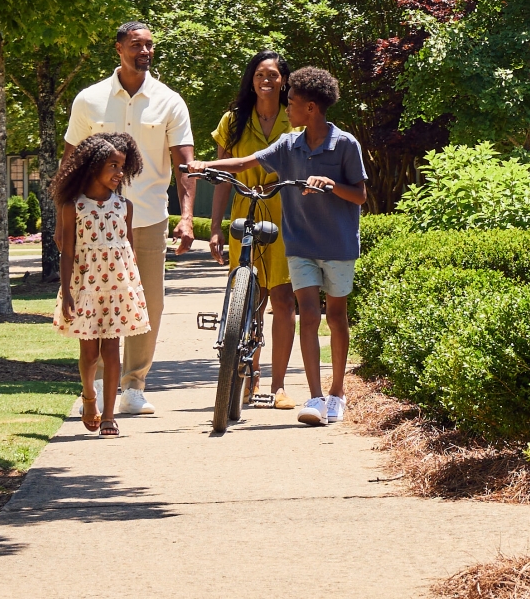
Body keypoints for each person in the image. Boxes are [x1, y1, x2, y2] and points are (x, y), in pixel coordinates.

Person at [187, 66, 366, 426]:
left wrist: (329, 184)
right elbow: (245, 162)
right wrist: (204, 164)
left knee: (335, 317)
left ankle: (337, 393)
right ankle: (315, 398)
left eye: (293, 103)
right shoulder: (289, 145)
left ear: (311, 108)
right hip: (298, 245)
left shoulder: (345, 143)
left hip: (338, 244)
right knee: (310, 317)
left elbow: (359, 196)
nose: (287, 108)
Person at [63, 22, 196, 418]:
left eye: (150, 45)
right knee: (99, 301)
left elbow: (185, 165)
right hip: (94, 219)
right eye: (137, 44)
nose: (145, 51)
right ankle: (101, 383)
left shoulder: (169, 101)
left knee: (147, 304)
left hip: (149, 217)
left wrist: (187, 216)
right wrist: (62, 218)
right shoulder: (89, 100)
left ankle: (134, 385)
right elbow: (70, 162)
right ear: (118, 48)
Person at [206, 50, 297, 405]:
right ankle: (249, 376)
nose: (266, 81)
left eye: (273, 75)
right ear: (252, 79)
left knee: (284, 299)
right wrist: (215, 227)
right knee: (249, 300)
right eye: (260, 74)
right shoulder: (232, 121)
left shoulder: (297, 119)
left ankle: (279, 386)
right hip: (246, 210)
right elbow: (223, 177)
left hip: (287, 214)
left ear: (284, 80)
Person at [54, 133, 152, 438]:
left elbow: (129, 249)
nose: (119, 173)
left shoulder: (125, 205)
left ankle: (109, 415)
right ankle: (89, 397)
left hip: (118, 288)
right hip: (85, 285)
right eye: (113, 165)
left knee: (112, 350)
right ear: (94, 166)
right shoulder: (74, 206)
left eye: (122, 167)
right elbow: (68, 251)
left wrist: (134, 290)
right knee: (89, 353)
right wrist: (68, 292)